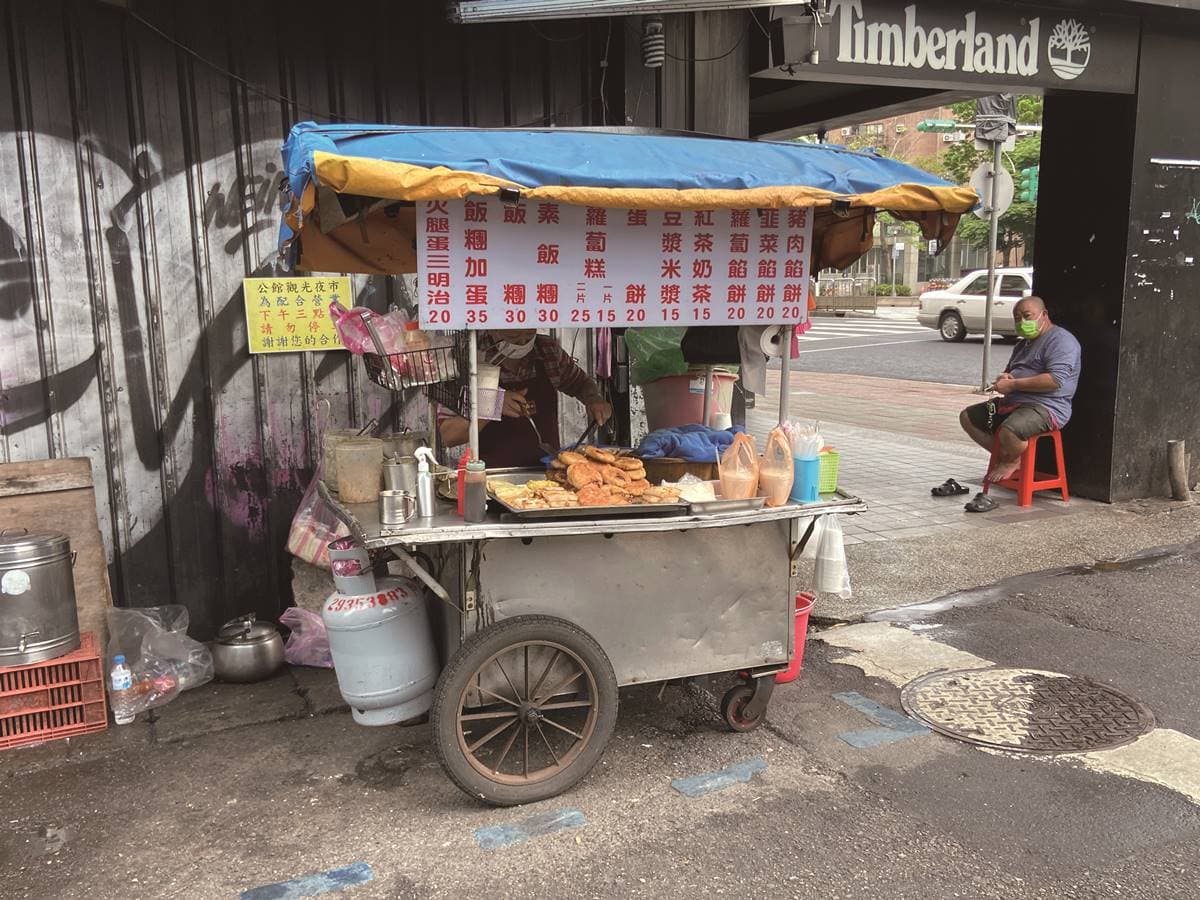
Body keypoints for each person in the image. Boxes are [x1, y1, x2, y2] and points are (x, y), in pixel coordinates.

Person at [959, 296, 1081, 504]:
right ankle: (1005, 456)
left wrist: (1014, 385)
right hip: (1012, 403)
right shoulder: (1024, 344)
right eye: (1017, 318)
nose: (1022, 322)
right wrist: (1005, 378)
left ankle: (1012, 459)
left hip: (1046, 407)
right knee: (969, 417)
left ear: (1044, 315)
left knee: (1010, 430)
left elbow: (1054, 380)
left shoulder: (1062, 341)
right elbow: (1011, 370)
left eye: (1027, 316)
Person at [438, 329, 612, 468]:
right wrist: (492, 403)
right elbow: (448, 435)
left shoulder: (547, 350)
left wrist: (593, 399)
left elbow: (581, 383)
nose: (522, 342)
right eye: (513, 336)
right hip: (491, 477)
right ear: (490, 329)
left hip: (547, 473)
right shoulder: (466, 357)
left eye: (529, 335)